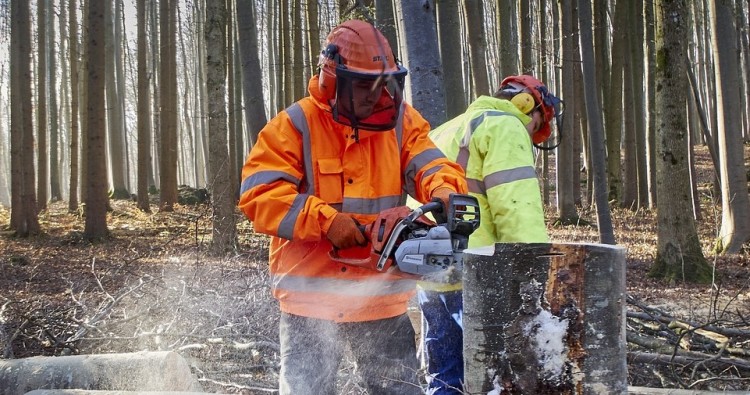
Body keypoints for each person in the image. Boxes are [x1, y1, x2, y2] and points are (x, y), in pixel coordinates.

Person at [237, 19, 467, 395]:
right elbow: (259, 195)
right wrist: (326, 222)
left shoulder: (401, 123)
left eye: (384, 86)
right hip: (310, 303)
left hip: (381, 299)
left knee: (399, 390)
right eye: (365, 87)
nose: (377, 97)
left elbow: (432, 163)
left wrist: (443, 191)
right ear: (333, 80)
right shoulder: (295, 125)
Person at [417, 74, 563, 394]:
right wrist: (534, 270)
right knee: (494, 375)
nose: (531, 134)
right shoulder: (505, 125)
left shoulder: (446, 129)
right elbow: (515, 207)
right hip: (478, 271)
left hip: (428, 269)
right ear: (527, 105)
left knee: (444, 375)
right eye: (535, 124)